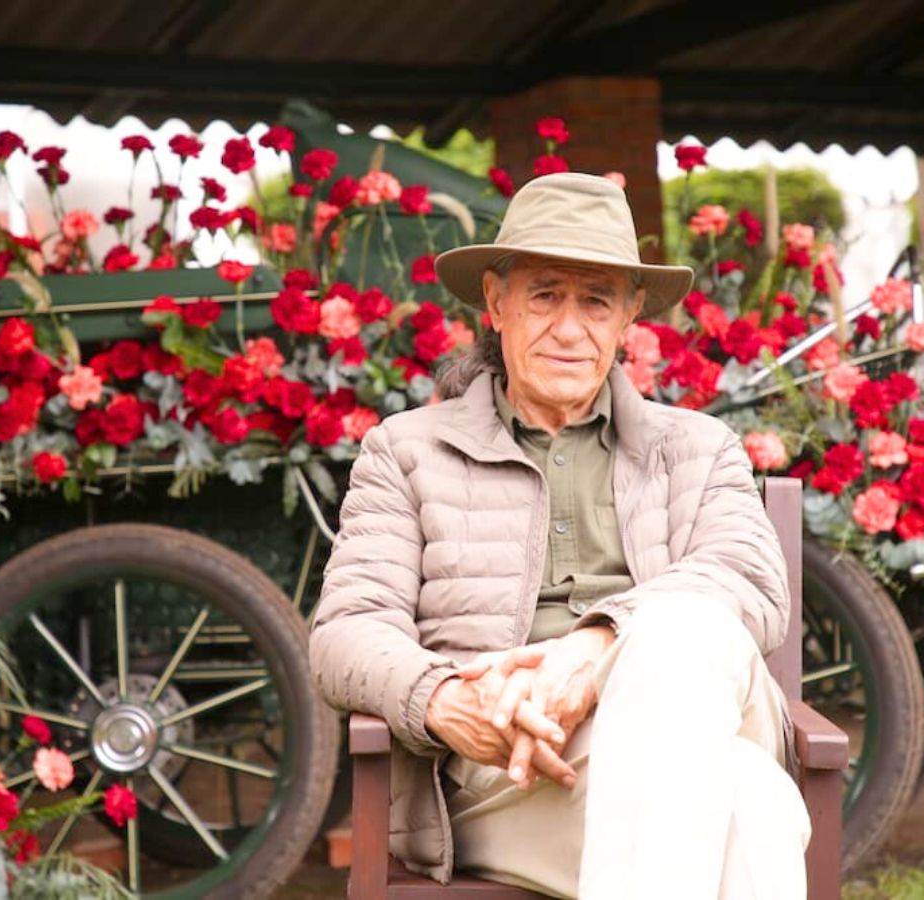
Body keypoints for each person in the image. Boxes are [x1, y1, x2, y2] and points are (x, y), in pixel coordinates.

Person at [309, 172, 811, 899]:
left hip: (703, 714)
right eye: (545, 295)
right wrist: (444, 698)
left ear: (629, 315)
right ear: (496, 302)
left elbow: (750, 584)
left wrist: (597, 646)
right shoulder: (406, 451)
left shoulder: (697, 447)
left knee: (684, 629)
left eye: (596, 301)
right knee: (755, 807)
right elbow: (346, 631)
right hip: (520, 772)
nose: (570, 329)